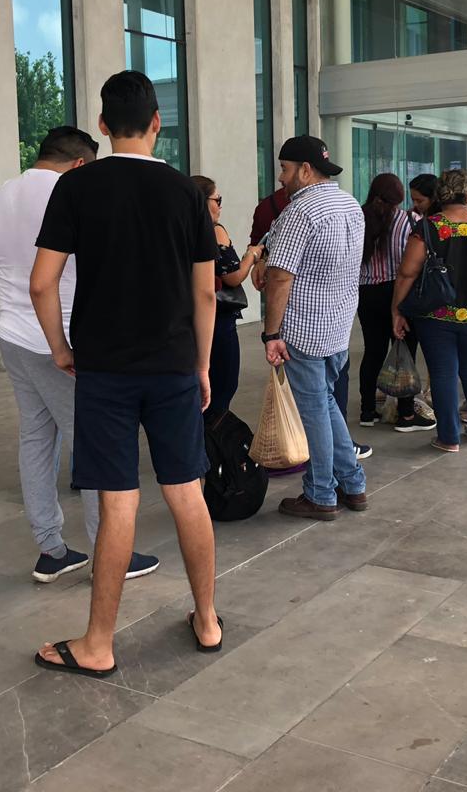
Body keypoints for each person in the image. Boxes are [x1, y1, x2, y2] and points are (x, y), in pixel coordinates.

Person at [30, 71, 222, 675]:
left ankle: (98, 644)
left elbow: (41, 283)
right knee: (186, 492)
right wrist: (202, 363)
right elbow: (207, 294)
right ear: (158, 122)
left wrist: (61, 348)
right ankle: (209, 620)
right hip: (172, 365)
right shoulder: (187, 192)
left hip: (106, 367)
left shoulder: (77, 187)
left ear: (104, 125)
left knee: (118, 504)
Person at [0, 126, 158, 584]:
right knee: (94, 444)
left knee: (37, 440)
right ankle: (111, 553)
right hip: (57, 339)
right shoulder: (75, 193)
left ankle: (51, 549)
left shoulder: (2, 193)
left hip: (12, 335)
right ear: (81, 164)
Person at [262, 136, 368, 520]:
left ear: (306, 170)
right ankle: (353, 484)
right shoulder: (350, 205)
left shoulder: (300, 211)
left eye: (285, 169)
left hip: (304, 330)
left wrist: (271, 333)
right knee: (325, 403)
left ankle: (321, 493)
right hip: (339, 325)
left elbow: (280, 278)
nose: (281, 177)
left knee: (315, 412)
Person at [392, 170, 467, 451]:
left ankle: (448, 437)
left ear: (439, 196)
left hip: (436, 316)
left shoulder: (429, 227)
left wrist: (397, 310)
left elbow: (407, 273)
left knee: (444, 373)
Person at [356, 173, 432, 431]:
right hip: (398, 290)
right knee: (404, 351)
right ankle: (406, 414)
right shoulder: (409, 220)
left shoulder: (358, 216)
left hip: (366, 292)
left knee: (373, 352)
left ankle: (367, 411)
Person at [191, 175, 261, 414]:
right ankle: (212, 444)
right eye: (217, 199)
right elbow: (232, 276)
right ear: (203, 201)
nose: (220, 205)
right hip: (218, 317)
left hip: (185, 319)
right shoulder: (214, 230)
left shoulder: (178, 228)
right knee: (221, 386)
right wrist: (251, 256)